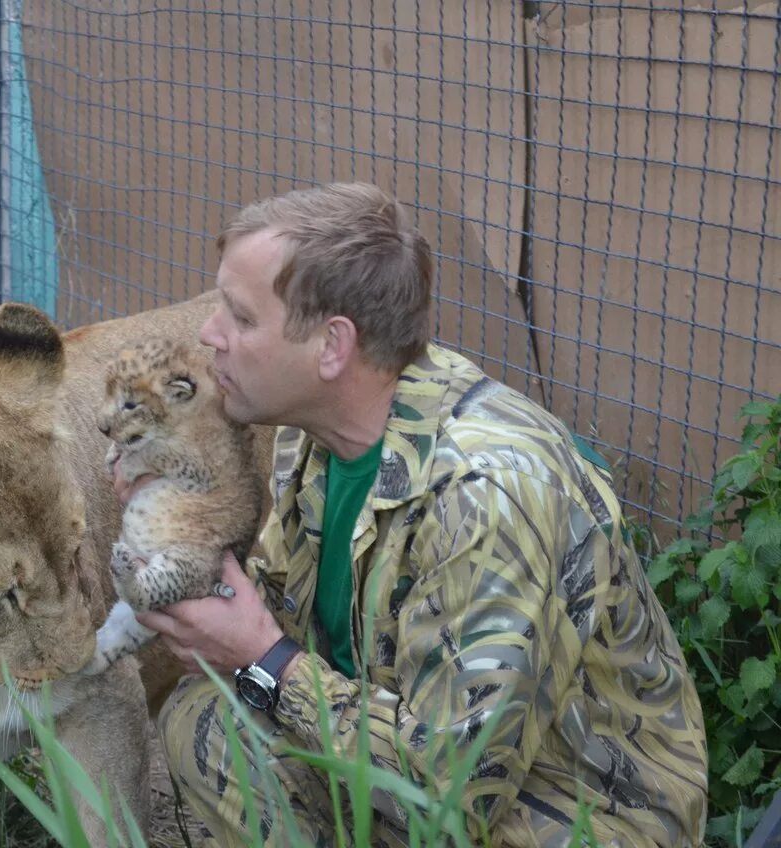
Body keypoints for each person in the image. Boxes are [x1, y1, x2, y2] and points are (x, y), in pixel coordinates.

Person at [126, 182, 708, 848]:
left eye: (239, 316)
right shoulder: (313, 436)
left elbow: (451, 797)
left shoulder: (486, 493)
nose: (209, 335)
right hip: (406, 750)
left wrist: (265, 658)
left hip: (568, 813)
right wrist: (169, 524)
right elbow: (278, 614)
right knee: (206, 721)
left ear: (331, 346)